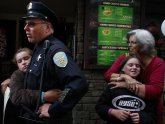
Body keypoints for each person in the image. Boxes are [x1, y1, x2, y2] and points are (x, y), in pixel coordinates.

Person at [20, 1, 88, 124]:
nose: (25, 28)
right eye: (26, 24)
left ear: (47, 27)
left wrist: (54, 108)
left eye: (31, 24)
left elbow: (78, 83)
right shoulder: (39, 48)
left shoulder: (56, 51)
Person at [104, 29, 165, 124]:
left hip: (148, 114)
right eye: (129, 42)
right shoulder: (125, 57)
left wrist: (126, 85)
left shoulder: (158, 63)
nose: (129, 45)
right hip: (125, 111)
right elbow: (108, 76)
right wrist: (126, 77)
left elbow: (155, 91)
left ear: (144, 45)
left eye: (133, 43)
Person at [1, 47, 61, 124]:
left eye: (26, 58)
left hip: (50, 113)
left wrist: (54, 106)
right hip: (28, 117)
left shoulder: (43, 70)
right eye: (19, 61)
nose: (23, 62)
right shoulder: (17, 75)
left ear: (34, 58)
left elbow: (58, 92)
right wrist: (43, 96)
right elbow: (16, 96)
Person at [95, 54, 157, 124]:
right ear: (122, 68)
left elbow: (153, 116)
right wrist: (113, 112)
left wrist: (142, 117)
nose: (134, 67)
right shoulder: (113, 86)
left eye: (137, 66)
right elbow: (99, 107)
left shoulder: (144, 89)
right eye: (130, 65)